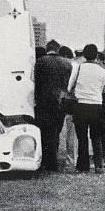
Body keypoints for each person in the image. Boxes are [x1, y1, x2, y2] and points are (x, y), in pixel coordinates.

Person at [68, 44, 105, 174]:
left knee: (82, 138)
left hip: (80, 105)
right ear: (96, 55)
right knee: (96, 137)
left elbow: (69, 87)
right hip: (96, 105)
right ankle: (98, 165)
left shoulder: (78, 68)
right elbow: (101, 89)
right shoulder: (102, 71)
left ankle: (83, 166)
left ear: (84, 55)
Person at [34, 39, 72, 171]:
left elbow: (36, 83)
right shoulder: (67, 63)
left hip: (44, 101)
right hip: (61, 102)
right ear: (57, 49)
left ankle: (48, 161)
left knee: (45, 132)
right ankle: (53, 157)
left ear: (47, 48)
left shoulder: (40, 61)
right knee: (56, 131)